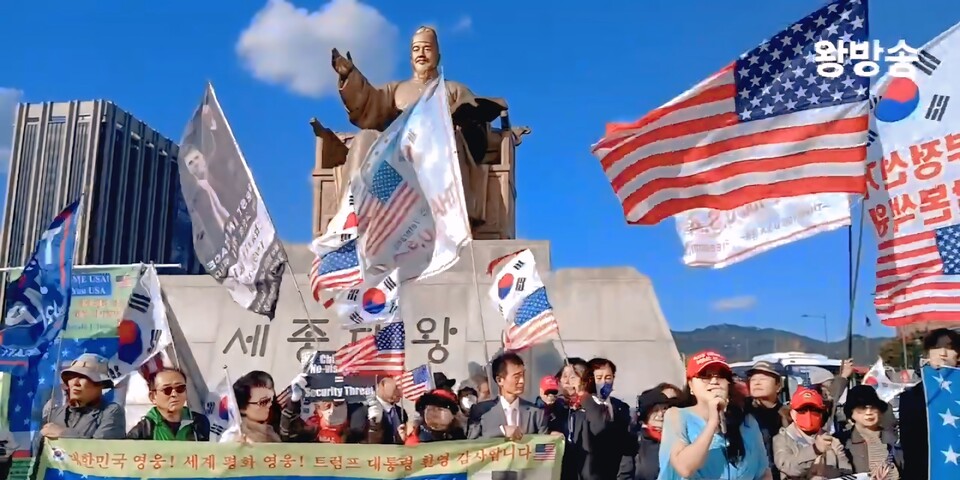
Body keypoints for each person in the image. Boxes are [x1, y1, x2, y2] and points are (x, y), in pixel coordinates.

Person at [658, 350, 772, 480]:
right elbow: (684, 468)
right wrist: (712, 422)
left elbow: (763, 471)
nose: (714, 381)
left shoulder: (747, 422)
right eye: (705, 376)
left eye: (721, 375)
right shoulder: (677, 416)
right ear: (691, 386)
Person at [899, 328, 959, 480]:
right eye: (936, 348)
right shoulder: (911, 397)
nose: (943, 353)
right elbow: (910, 447)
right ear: (927, 354)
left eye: (950, 348)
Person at [772, 387, 852, 479]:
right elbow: (789, 467)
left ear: (821, 413)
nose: (808, 414)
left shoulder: (831, 440)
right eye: (802, 410)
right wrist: (815, 450)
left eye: (814, 410)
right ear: (792, 413)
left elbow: (847, 473)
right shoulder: (782, 439)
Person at [41, 354, 125, 440]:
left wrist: (63, 433)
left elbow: (103, 449)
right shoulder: (54, 413)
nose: (75, 382)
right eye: (71, 377)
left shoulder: (111, 411)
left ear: (101, 385)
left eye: (84, 377)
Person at [467, 352, 547, 439]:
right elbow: (471, 444)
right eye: (516, 377)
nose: (522, 381)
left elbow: (544, 446)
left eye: (523, 375)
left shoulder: (536, 413)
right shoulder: (481, 412)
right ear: (499, 380)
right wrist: (502, 431)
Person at [580, 357, 636, 480]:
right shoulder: (583, 405)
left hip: (616, 472)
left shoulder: (621, 407)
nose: (604, 382)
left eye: (608, 378)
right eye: (599, 378)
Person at [127, 368, 210, 441]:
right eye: (167, 390)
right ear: (153, 397)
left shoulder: (199, 422)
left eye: (180, 388)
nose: (174, 394)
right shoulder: (143, 430)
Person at [837, 386, 901, 479]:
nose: (869, 412)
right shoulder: (841, 441)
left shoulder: (895, 438)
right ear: (851, 412)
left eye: (874, 407)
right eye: (862, 408)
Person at [745, 360, 787, 480]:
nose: (757, 383)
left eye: (763, 378)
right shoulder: (743, 413)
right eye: (753, 379)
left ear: (778, 386)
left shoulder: (788, 415)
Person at [634, 387, 674, 480]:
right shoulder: (636, 441)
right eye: (655, 410)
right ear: (646, 415)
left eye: (664, 409)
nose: (661, 414)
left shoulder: (676, 437)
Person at [230, 370, 281, 443]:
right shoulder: (233, 438)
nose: (270, 405)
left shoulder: (274, 432)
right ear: (242, 408)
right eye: (263, 402)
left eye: (272, 399)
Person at [363, 376, 408, 444]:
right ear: (382, 387)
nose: (400, 393)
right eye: (396, 388)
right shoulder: (365, 410)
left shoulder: (401, 412)